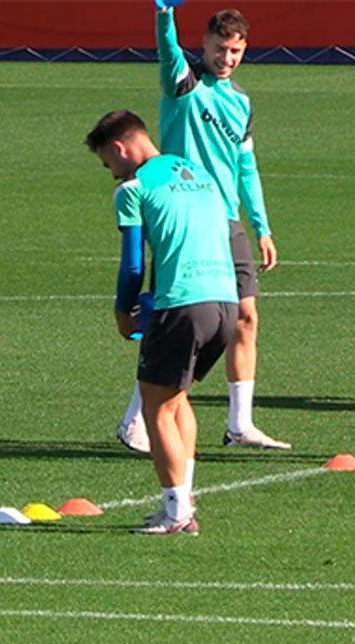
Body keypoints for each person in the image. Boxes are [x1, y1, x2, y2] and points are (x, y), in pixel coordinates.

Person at [116, 4, 289, 455]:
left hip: (227, 219)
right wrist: (165, 13)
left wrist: (263, 227)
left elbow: (246, 167)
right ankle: (135, 418)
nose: (226, 58)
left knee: (245, 317)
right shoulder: (184, 85)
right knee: (170, 317)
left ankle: (240, 424)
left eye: (235, 51)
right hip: (185, 216)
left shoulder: (242, 103)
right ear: (205, 45)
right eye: (219, 49)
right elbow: (166, 49)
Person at [87, 110, 238, 535]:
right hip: (224, 301)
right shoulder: (199, 174)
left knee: (156, 407)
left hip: (183, 304)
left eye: (107, 163)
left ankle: (175, 513)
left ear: (119, 148)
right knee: (178, 400)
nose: (111, 173)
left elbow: (132, 263)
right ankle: (181, 501)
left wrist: (124, 311)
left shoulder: (133, 189)